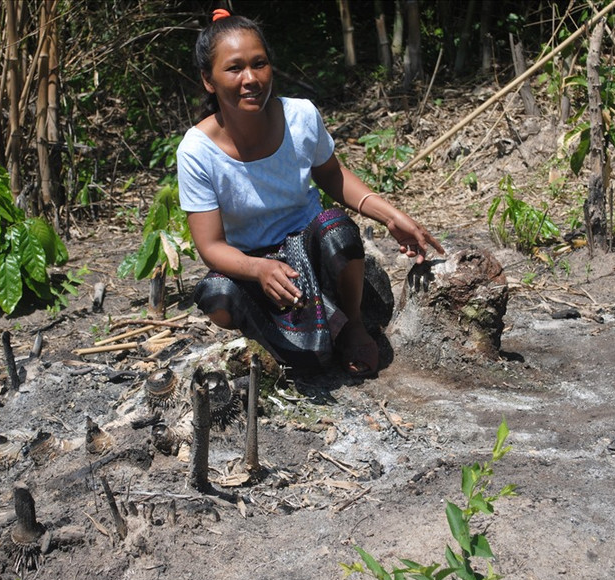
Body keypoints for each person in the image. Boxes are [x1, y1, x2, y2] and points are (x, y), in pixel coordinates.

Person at [177, 8, 445, 377]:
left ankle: (350, 323)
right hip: (253, 265)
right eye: (234, 68)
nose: (251, 78)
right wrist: (259, 268)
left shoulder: (300, 116)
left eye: (259, 64)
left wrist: (391, 216)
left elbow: (332, 176)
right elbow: (210, 246)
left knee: (338, 230)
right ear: (209, 80)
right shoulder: (196, 150)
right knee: (217, 299)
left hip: (310, 247)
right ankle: (298, 331)